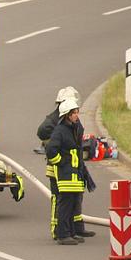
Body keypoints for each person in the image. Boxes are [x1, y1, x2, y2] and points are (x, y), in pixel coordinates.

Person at [46, 98, 96, 245]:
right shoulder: (60, 131)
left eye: (77, 112)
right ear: (66, 115)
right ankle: (63, 235)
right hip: (66, 176)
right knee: (65, 205)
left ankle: (72, 233)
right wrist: (62, 163)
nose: (76, 115)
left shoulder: (73, 129)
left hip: (75, 175)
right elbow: (50, 150)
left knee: (74, 204)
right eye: (73, 113)